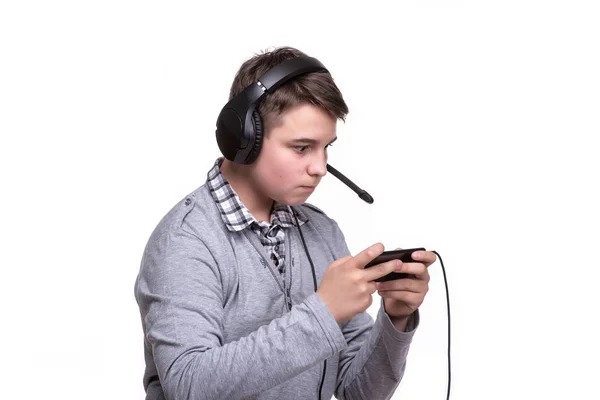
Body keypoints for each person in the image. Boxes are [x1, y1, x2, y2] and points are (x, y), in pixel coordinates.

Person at [134, 46, 436, 400]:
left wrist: (395, 319)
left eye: (326, 148)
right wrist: (322, 312)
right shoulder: (186, 241)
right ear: (245, 139)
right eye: (302, 147)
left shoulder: (322, 232)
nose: (320, 167)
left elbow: (359, 392)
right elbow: (189, 385)